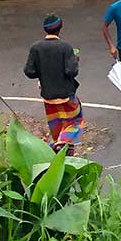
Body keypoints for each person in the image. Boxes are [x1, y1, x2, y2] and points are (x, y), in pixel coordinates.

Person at [23, 14, 84, 151]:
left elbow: (29, 71)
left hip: (48, 96)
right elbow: (71, 71)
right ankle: (61, 144)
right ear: (60, 28)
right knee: (75, 121)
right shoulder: (65, 47)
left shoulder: (36, 48)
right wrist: (75, 60)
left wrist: (42, 71)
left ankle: (59, 147)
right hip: (65, 95)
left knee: (56, 123)